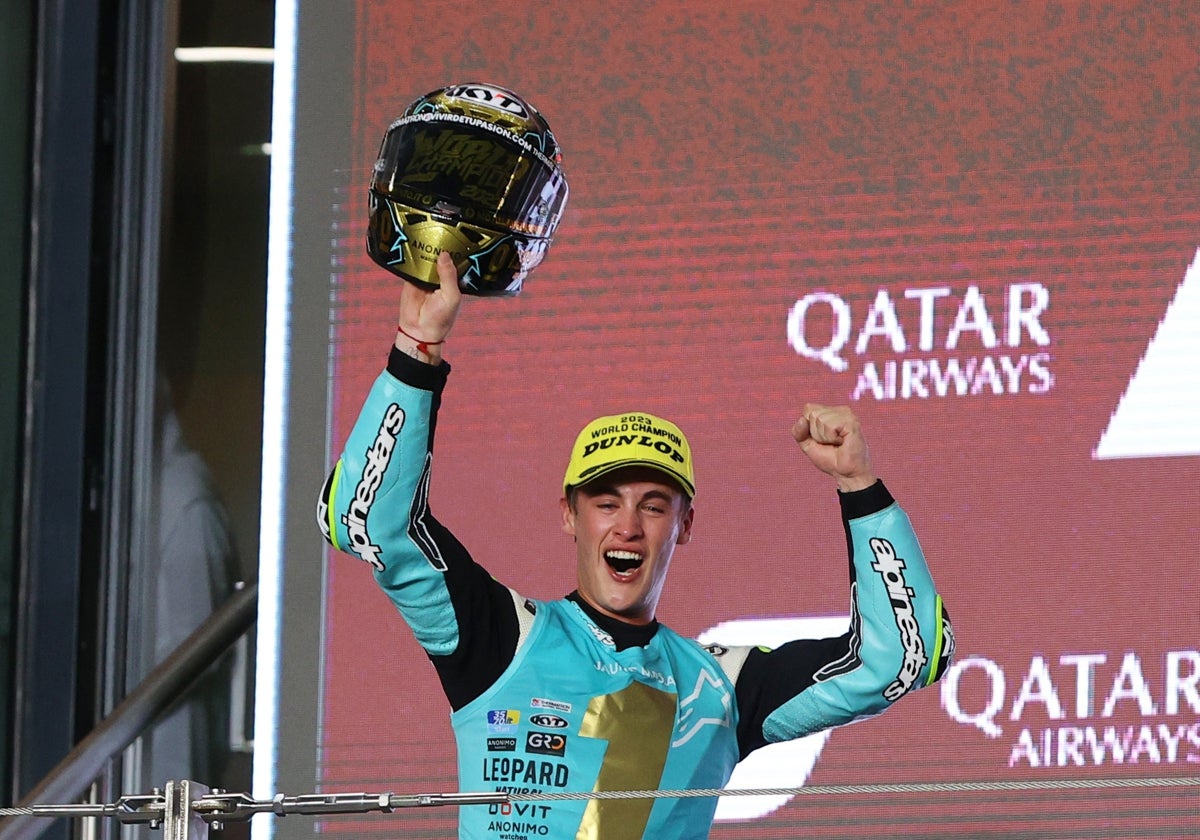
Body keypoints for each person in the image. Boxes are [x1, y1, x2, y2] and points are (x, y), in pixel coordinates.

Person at [318, 253, 953, 840]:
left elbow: (903, 657)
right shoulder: (503, 638)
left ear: (685, 525)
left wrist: (858, 486)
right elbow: (369, 521)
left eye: (654, 506)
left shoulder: (721, 684)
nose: (628, 526)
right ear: (568, 516)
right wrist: (416, 350)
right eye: (605, 502)